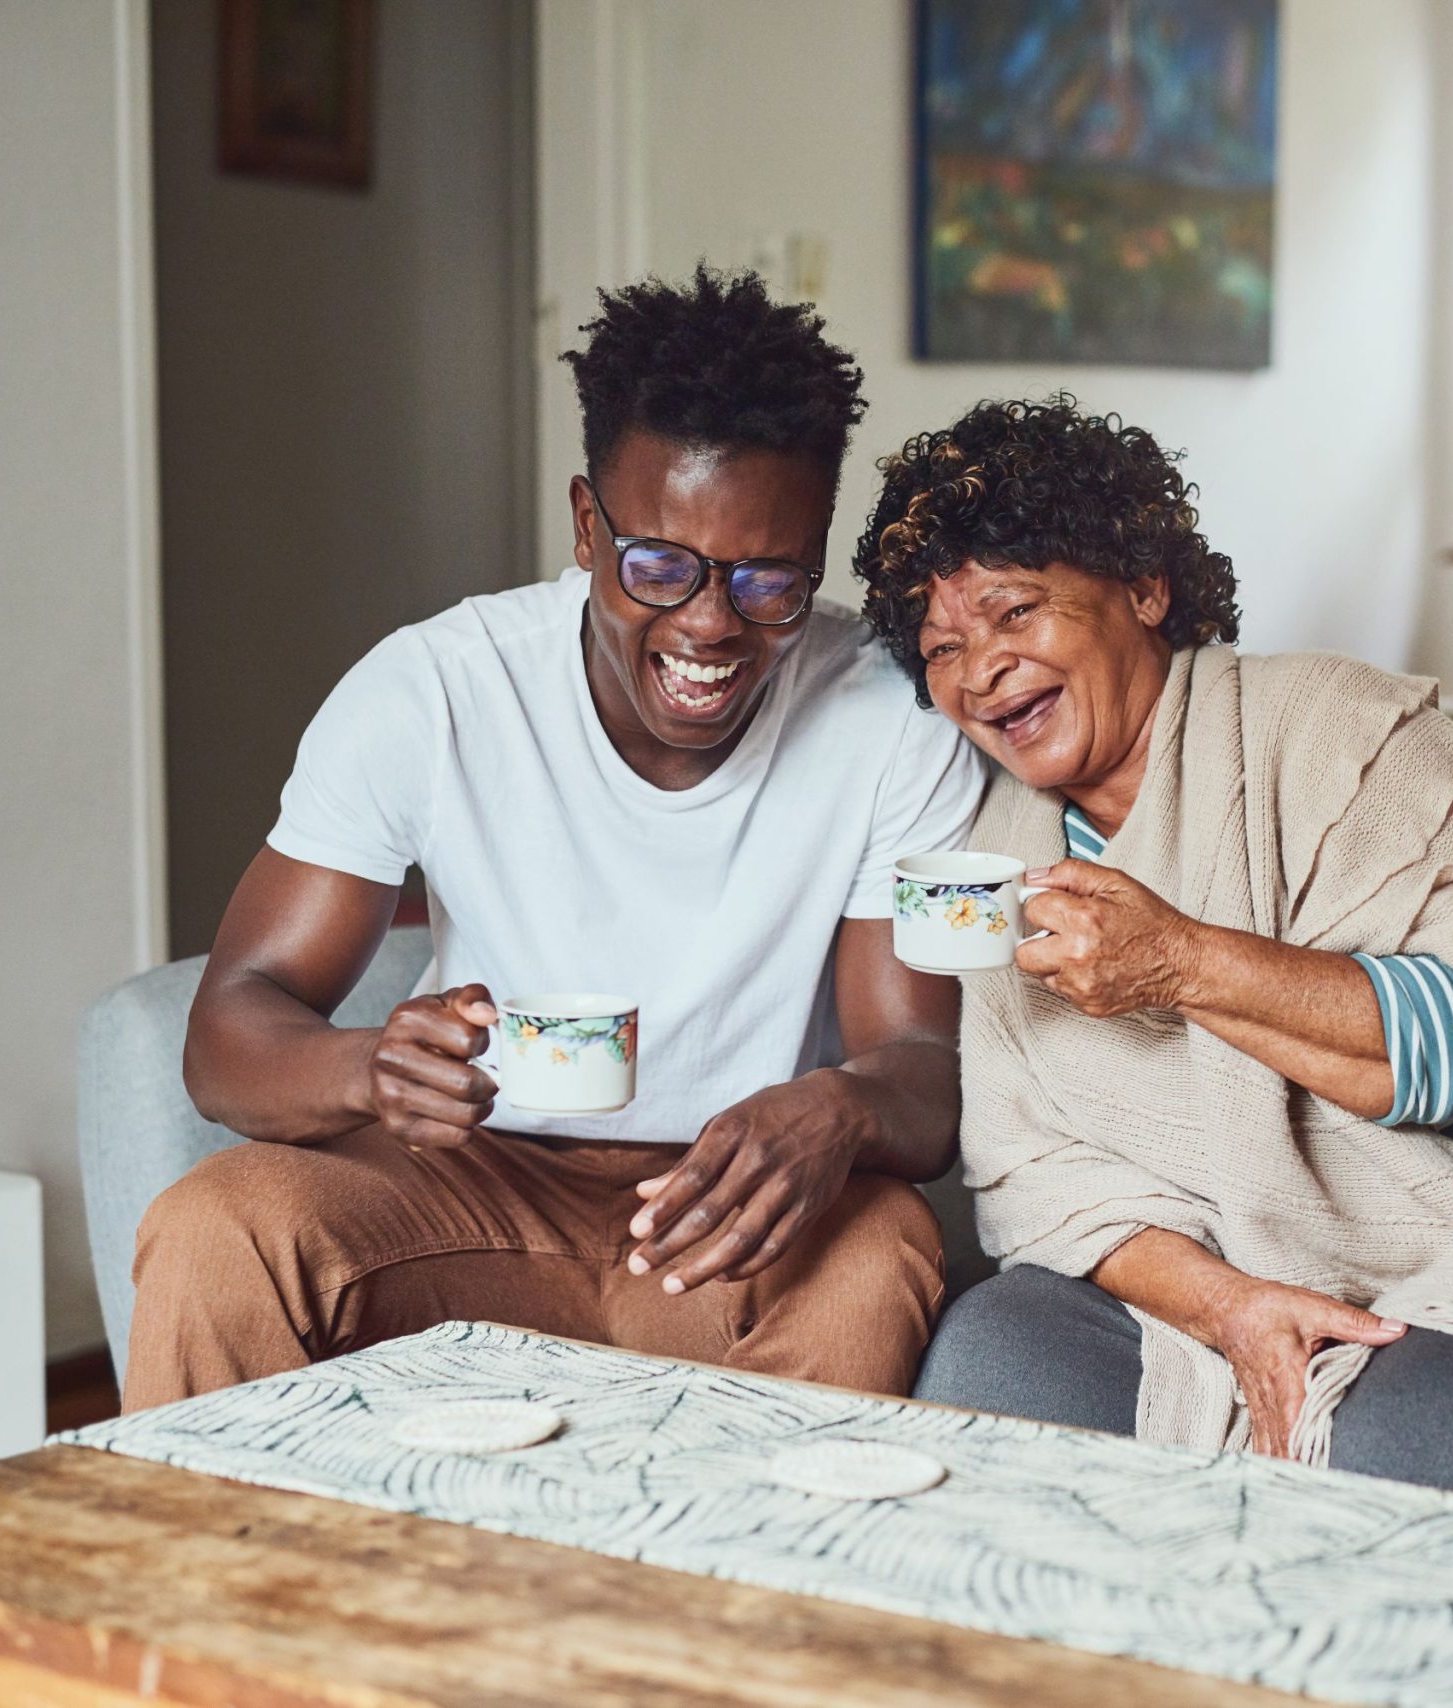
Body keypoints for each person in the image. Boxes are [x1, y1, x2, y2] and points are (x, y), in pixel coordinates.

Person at [125, 270, 983, 1411]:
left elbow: (920, 1074)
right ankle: (215, 1585)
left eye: (768, 578)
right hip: (461, 1188)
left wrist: (839, 1106)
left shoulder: (887, 717)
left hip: (726, 1213)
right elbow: (228, 1031)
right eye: (660, 566)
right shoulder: (435, 690)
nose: (711, 623)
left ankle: (741, 1589)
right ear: (588, 527)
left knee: (880, 1250)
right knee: (214, 1226)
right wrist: (367, 1067)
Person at [852, 396, 1453, 1506]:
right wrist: (1230, 1305)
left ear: (1143, 586)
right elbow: (1031, 1174)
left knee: (1404, 1443)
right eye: (942, 649)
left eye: (1015, 612)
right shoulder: (1002, 853)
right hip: (1234, 1257)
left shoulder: (1340, 733)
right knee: (994, 1358)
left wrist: (1176, 963)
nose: (980, 670)